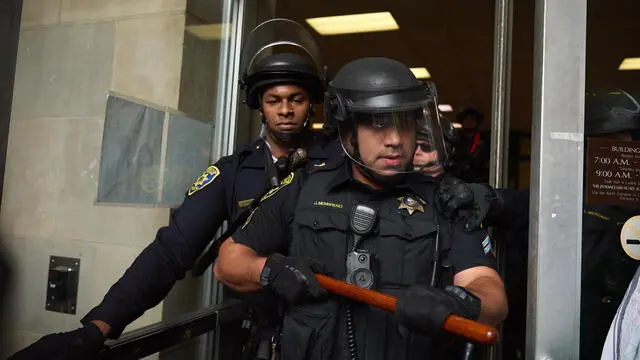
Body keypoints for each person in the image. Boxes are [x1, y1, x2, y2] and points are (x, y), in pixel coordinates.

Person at [8, 18, 341, 360]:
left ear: (311, 102)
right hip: (258, 331)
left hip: (333, 326)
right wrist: (97, 329)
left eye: (296, 99)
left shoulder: (337, 162)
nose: (285, 110)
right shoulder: (231, 173)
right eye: (274, 100)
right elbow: (169, 252)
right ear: (259, 105)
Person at [214, 56, 508, 360]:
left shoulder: (445, 200)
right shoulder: (303, 188)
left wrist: (459, 302)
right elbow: (227, 263)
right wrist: (270, 271)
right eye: (378, 124)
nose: (395, 140)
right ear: (349, 131)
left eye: (404, 124)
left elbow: (491, 293)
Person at [435, 89, 640, 360]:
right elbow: (522, 205)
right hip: (574, 334)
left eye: (628, 144)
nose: (620, 156)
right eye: (608, 144)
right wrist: (481, 196)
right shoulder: (568, 199)